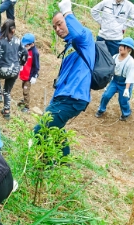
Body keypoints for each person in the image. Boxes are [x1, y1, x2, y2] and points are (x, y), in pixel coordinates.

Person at [33, 0, 94, 157]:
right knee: (56, 128)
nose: (58, 29)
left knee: (41, 130)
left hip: (74, 98)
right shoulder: (70, 46)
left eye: (60, 24)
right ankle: (64, 159)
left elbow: (79, 33)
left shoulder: (85, 38)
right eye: (55, 27)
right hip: (62, 96)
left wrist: (67, 12)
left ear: (69, 21)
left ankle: (40, 163)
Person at [0, 19, 28, 120]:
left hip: (3, 69)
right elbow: (25, 53)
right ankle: (7, 111)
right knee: (7, 90)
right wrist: (21, 64)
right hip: (15, 70)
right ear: (13, 30)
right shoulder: (18, 41)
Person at [95, 37, 134, 121]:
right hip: (115, 81)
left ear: (129, 49)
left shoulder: (130, 62)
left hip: (124, 83)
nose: (120, 47)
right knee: (106, 95)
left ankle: (126, 113)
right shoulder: (115, 57)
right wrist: (107, 82)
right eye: (120, 45)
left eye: (123, 46)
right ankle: (101, 109)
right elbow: (111, 70)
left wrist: (127, 89)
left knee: (123, 100)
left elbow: (130, 76)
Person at [18, 33, 40, 113]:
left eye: (26, 45)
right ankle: (24, 101)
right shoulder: (25, 50)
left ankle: (26, 107)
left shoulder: (35, 53)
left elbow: (36, 65)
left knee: (26, 91)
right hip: (24, 74)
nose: (25, 47)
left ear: (32, 44)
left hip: (29, 76)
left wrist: (34, 76)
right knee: (23, 87)